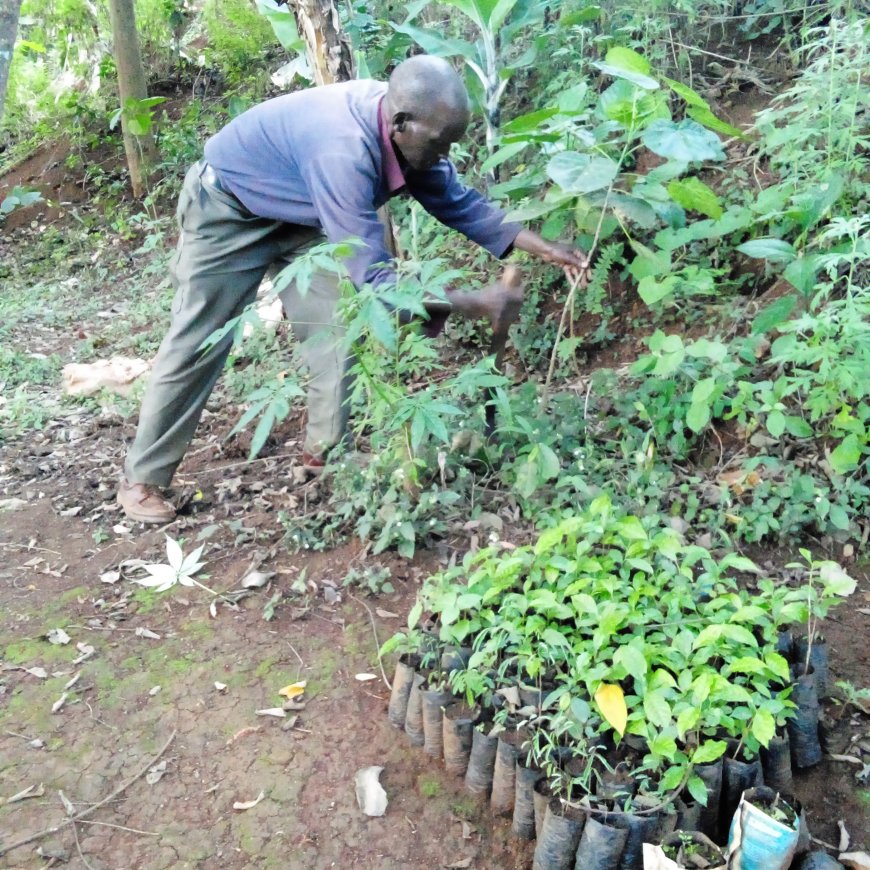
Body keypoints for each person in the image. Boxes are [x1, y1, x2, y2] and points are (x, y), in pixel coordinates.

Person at [117, 55, 588, 524]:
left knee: (337, 329)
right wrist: (478, 303)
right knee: (200, 339)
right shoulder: (343, 151)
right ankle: (143, 478)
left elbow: (458, 202)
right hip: (229, 208)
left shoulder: (407, 126)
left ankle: (324, 459)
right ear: (401, 123)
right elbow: (381, 288)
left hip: (305, 214)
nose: (446, 155)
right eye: (441, 143)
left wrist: (545, 248)